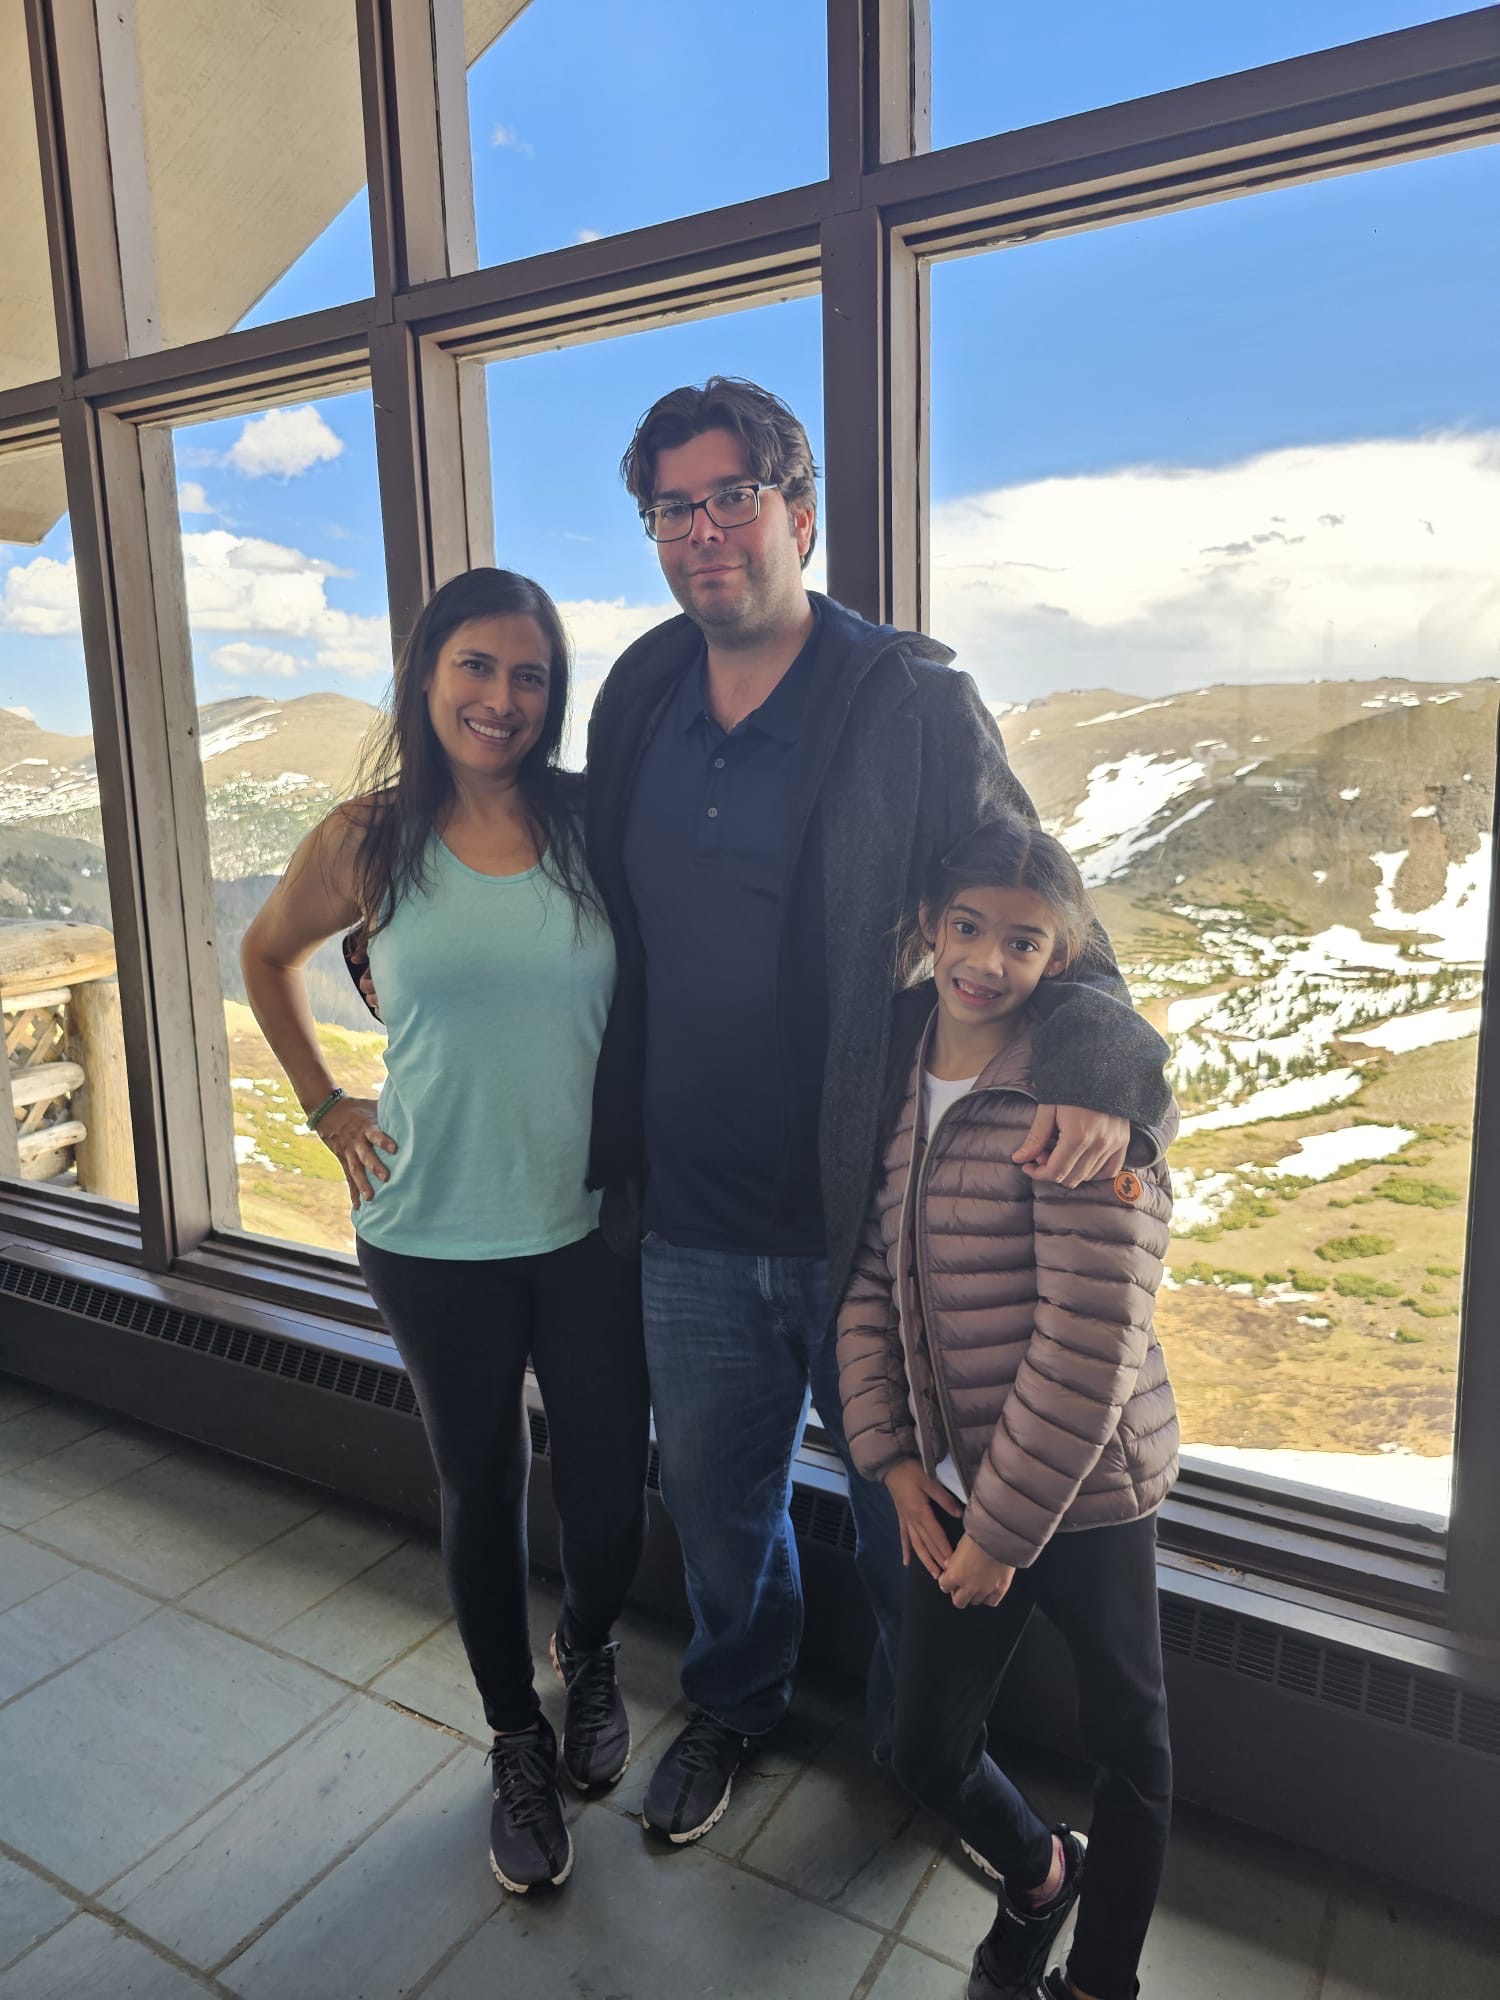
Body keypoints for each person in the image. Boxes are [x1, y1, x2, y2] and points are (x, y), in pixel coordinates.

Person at [578, 377, 1175, 1846]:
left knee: (916, 1521)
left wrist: (1106, 1068)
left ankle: (927, 1750)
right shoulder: (642, 689)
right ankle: (736, 1701)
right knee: (715, 1505)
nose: (704, 531)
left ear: (799, 513)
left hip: (868, 1218)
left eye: (733, 497)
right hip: (687, 1210)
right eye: (672, 507)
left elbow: (1040, 901)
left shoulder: (909, 699)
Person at [242, 568, 649, 1897]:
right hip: (430, 1230)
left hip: (589, 1223)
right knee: (481, 1485)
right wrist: (325, 1105)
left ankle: (590, 1651)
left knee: (607, 1479)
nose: (503, 698)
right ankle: (515, 1737)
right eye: (477, 665)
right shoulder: (368, 839)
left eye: (531, 675)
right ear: (426, 675)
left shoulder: (589, 823)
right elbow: (265, 956)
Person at [837, 815, 1179, 2000]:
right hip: (950, 1481)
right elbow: (867, 1275)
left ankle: (1098, 1983)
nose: (986, 960)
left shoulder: (1081, 1093)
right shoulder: (893, 1068)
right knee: (924, 1745)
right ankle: (1041, 1873)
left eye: (1022, 941)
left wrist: (999, 1532)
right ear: (929, 924)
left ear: (1062, 951)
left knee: (1131, 1743)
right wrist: (890, 1457)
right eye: (968, 927)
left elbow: (1090, 1338)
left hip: (1091, 1491)